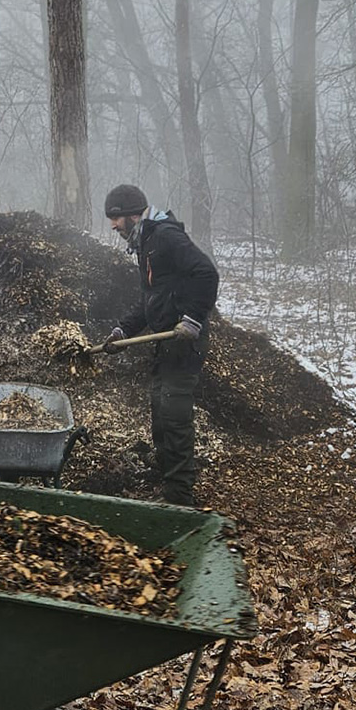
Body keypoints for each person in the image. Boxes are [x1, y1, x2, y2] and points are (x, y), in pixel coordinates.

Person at [102, 183, 219, 507]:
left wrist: (193, 319)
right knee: (159, 407)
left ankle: (180, 498)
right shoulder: (145, 243)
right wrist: (123, 330)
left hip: (183, 340)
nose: (113, 226)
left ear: (133, 215)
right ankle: (166, 476)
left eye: (115, 218)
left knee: (174, 413)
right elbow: (150, 299)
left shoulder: (166, 236)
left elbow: (207, 273)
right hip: (164, 341)